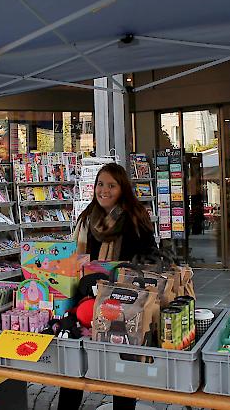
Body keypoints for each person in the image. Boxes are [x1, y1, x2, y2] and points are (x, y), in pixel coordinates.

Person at [58, 163, 157, 410]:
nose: (104, 190)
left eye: (111, 185)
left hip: (122, 304)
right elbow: (75, 257)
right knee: (74, 366)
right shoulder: (87, 219)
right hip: (85, 303)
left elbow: (151, 258)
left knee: (120, 367)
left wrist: (117, 272)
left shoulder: (135, 218)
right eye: (100, 184)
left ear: (122, 188)